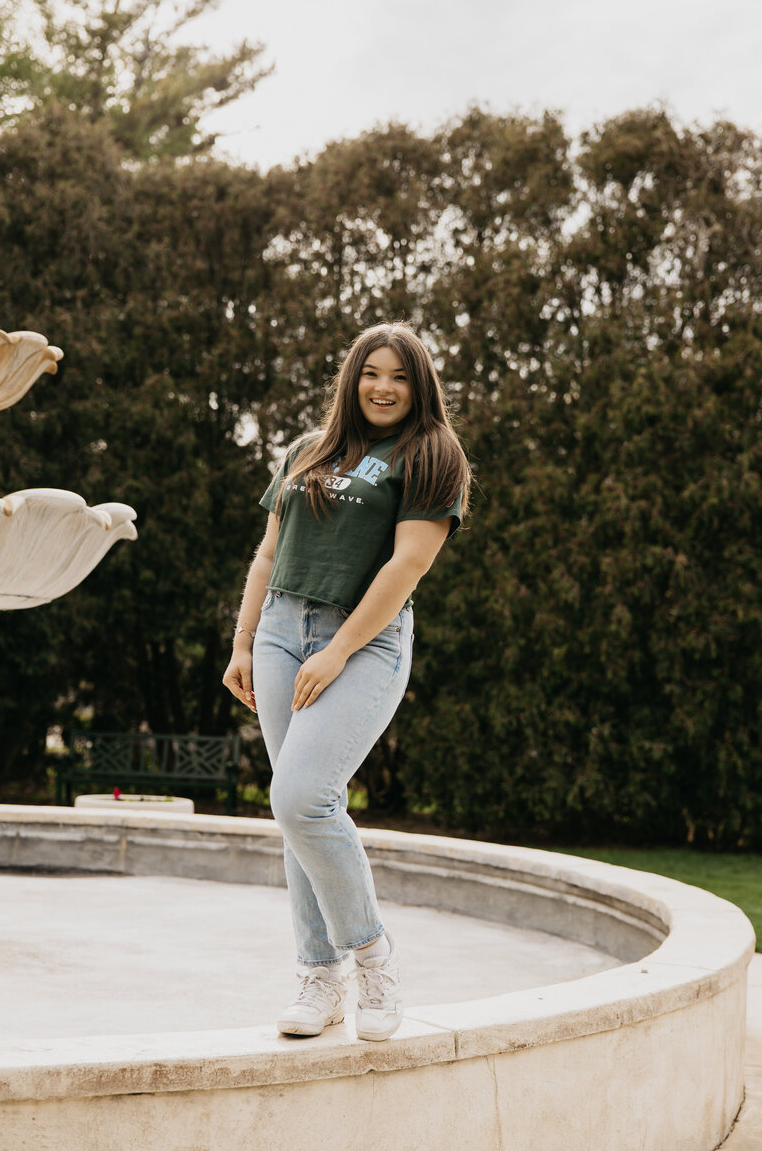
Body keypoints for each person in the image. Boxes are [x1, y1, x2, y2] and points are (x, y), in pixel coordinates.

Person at [222, 321, 471, 1041]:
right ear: (351, 380)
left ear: (418, 386)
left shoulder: (432, 453)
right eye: (371, 373)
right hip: (279, 632)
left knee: (304, 797)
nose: (383, 387)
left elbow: (408, 564)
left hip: (364, 641)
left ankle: (372, 958)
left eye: (399, 376)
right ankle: (318, 977)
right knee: (293, 810)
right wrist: (243, 641)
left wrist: (336, 651)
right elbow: (268, 553)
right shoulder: (308, 450)